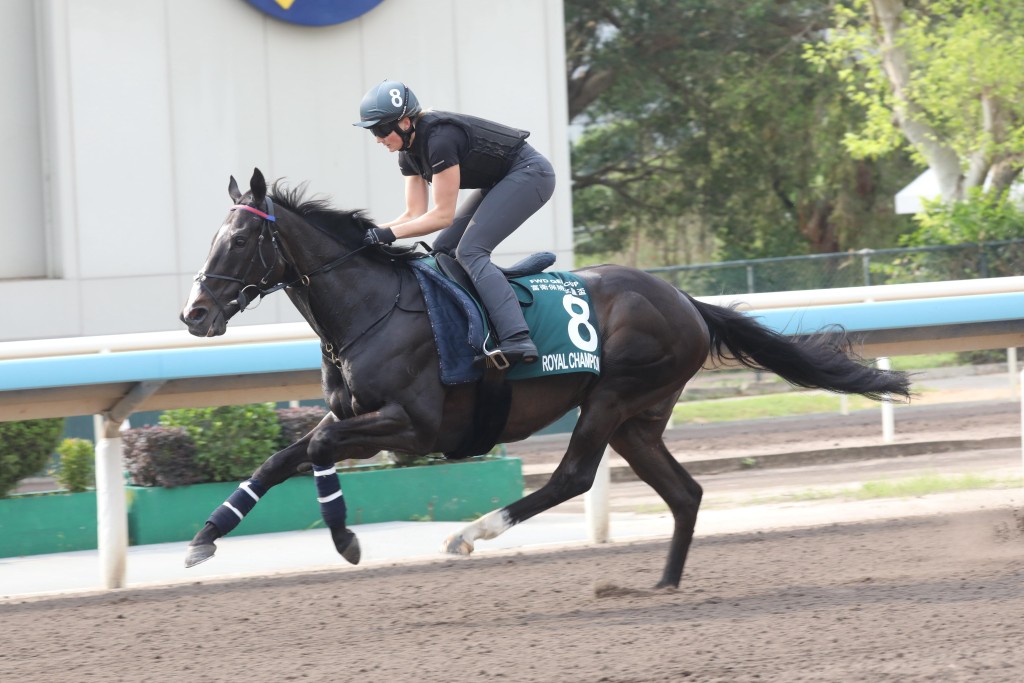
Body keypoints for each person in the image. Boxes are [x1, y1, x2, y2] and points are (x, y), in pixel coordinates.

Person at [354, 79, 555, 366]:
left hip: (531, 173)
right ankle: (479, 324)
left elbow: (441, 215)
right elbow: (413, 214)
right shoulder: (407, 154)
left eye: (381, 129)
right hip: (500, 180)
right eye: (372, 131)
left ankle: (516, 337)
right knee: (443, 250)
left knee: (470, 251)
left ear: (406, 122)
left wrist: (386, 234)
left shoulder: (439, 139)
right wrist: (369, 233)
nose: (377, 138)